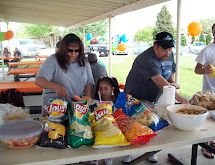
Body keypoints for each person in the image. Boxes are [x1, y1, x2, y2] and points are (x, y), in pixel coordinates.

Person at [124, 31, 189, 163]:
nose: (168, 53)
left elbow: (170, 69)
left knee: (153, 123)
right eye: (165, 50)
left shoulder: (169, 55)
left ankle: (150, 151)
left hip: (154, 97)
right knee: (133, 125)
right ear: (155, 46)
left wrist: (172, 82)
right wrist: (178, 97)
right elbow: (159, 80)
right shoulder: (146, 58)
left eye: (170, 49)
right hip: (135, 96)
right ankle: (128, 152)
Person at [35, 33, 94, 115]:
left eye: (77, 51)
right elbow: (39, 80)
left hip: (76, 104)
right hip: (55, 105)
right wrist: (55, 87)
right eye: (70, 50)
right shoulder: (52, 60)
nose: (73, 53)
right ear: (63, 49)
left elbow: (89, 82)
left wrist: (86, 99)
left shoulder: (84, 61)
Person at [195, 23, 215, 159]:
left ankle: (212, 141)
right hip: (209, 93)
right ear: (213, 33)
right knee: (208, 121)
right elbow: (197, 69)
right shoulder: (207, 50)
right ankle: (206, 144)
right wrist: (204, 70)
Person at [91, 76, 120, 165]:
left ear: (112, 89)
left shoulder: (118, 101)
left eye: (105, 89)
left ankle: (108, 155)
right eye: (100, 89)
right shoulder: (95, 102)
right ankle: (95, 156)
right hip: (99, 127)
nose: (103, 91)